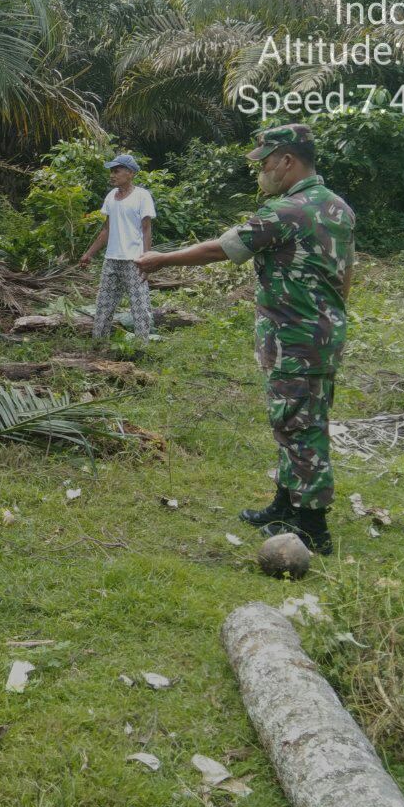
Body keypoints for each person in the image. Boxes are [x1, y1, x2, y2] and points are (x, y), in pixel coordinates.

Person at [134, 125, 355, 555]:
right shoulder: (337, 207)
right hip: (322, 335)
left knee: (301, 427)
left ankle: (312, 526)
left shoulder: (286, 210)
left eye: (266, 162)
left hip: (295, 338)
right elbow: (347, 273)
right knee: (294, 421)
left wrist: (162, 260)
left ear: (287, 161)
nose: (263, 171)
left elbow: (224, 248)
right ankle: (284, 505)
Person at [80, 153, 156, 345]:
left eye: (116, 171)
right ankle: (98, 345)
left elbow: (146, 229)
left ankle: (142, 347)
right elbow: (106, 229)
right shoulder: (110, 197)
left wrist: (147, 260)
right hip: (111, 259)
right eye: (111, 172)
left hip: (135, 260)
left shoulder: (142, 196)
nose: (112, 175)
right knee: (103, 305)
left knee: (140, 307)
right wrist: (89, 254)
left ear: (130, 173)